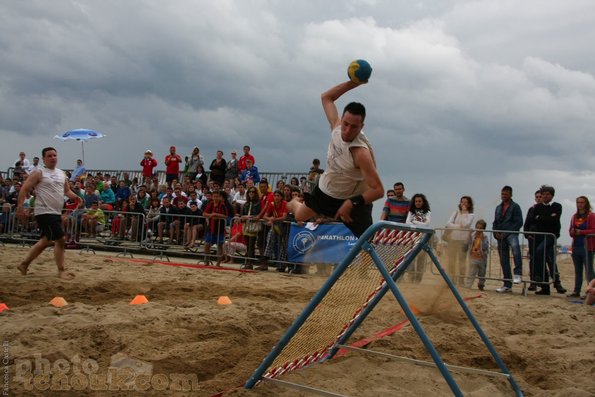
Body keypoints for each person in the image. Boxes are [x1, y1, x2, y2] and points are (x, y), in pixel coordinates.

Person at [288, 79, 384, 237]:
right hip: (328, 191)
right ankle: (294, 203)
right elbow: (326, 97)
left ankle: (367, 262)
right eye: (345, 124)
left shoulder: (361, 153)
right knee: (299, 216)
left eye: (354, 127)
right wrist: (355, 83)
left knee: (367, 240)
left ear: (362, 127)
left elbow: (379, 190)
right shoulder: (336, 127)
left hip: (353, 198)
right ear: (342, 120)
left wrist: (351, 203)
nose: (347, 130)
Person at [15, 147, 79, 280]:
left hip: (55, 212)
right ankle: (61, 271)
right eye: (49, 156)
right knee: (60, 239)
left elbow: (67, 191)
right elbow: (25, 188)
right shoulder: (39, 173)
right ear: (43, 158)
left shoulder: (61, 174)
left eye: (54, 155)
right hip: (44, 211)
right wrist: (20, 206)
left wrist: (77, 197)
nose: (52, 158)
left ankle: (24, 264)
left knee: (45, 240)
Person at [525, 185, 567, 295]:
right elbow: (533, 220)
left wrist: (542, 218)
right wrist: (547, 217)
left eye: (547, 194)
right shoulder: (536, 208)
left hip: (550, 236)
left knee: (549, 259)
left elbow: (554, 219)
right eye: (543, 194)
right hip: (539, 236)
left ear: (552, 195)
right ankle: (544, 286)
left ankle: (556, 283)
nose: (544, 196)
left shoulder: (557, 206)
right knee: (539, 257)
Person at [492, 186, 524, 293]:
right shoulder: (498, 208)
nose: (503, 196)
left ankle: (518, 273)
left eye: (505, 194)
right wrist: (495, 232)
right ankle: (507, 284)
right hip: (500, 235)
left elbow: (519, 222)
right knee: (503, 259)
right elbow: (495, 222)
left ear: (510, 195)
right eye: (502, 194)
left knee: (516, 249)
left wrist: (507, 232)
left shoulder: (515, 207)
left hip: (511, 233)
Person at [568, 196, 595, 298]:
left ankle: (590, 291)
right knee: (578, 270)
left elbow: (593, 230)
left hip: (587, 246)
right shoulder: (574, 216)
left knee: (589, 270)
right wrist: (573, 232)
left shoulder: (591, 216)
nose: (580, 204)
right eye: (578, 202)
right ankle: (576, 290)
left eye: (582, 202)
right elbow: (570, 231)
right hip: (576, 246)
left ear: (586, 203)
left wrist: (581, 232)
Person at [445, 196, 475, 285]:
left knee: (462, 261)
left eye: (465, 202)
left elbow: (465, 224)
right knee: (452, 261)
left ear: (469, 204)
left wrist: (464, 212)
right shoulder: (455, 212)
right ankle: (451, 280)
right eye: (462, 202)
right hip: (453, 239)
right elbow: (448, 223)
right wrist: (458, 227)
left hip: (463, 240)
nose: (463, 204)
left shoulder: (471, 215)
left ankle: (461, 280)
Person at [405, 193, 431, 283]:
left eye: (419, 201)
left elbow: (426, 224)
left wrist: (414, 222)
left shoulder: (427, 212)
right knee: (411, 259)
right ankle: (411, 278)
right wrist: (418, 223)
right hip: (412, 238)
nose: (418, 203)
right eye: (416, 201)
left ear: (423, 202)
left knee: (421, 261)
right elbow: (407, 222)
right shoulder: (411, 212)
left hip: (423, 238)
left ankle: (418, 280)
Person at [203, 190, 228, 266]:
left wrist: (216, 215)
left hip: (219, 228)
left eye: (217, 196)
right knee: (207, 244)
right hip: (210, 227)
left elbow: (225, 216)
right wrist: (210, 215)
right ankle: (207, 261)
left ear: (220, 197)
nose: (215, 198)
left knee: (219, 245)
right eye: (214, 196)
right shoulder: (210, 204)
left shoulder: (222, 205)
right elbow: (204, 213)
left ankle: (218, 263)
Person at [523, 190, 542, 290]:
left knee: (546, 260)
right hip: (532, 238)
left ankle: (552, 283)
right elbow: (526, 224)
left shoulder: (545, 209)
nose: (538, 198)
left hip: (543, 238)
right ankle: (533, 282)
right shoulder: (531, 209)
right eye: (537, 197)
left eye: (540, 196)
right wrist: (527, 234)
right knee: (533, 260)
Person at [465, 219, 490, 291]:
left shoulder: (485, 237)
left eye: (481, 228)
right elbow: (468, 242)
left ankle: (481, 284)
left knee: (482, 273)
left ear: (483, 229)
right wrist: (469, 235)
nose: (478, 229)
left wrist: (482, 240)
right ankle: (468, 286)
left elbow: (485, 247)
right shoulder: (472, 235)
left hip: (482, 258)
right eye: (477, 227)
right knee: (471, 272)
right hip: (473, 257)